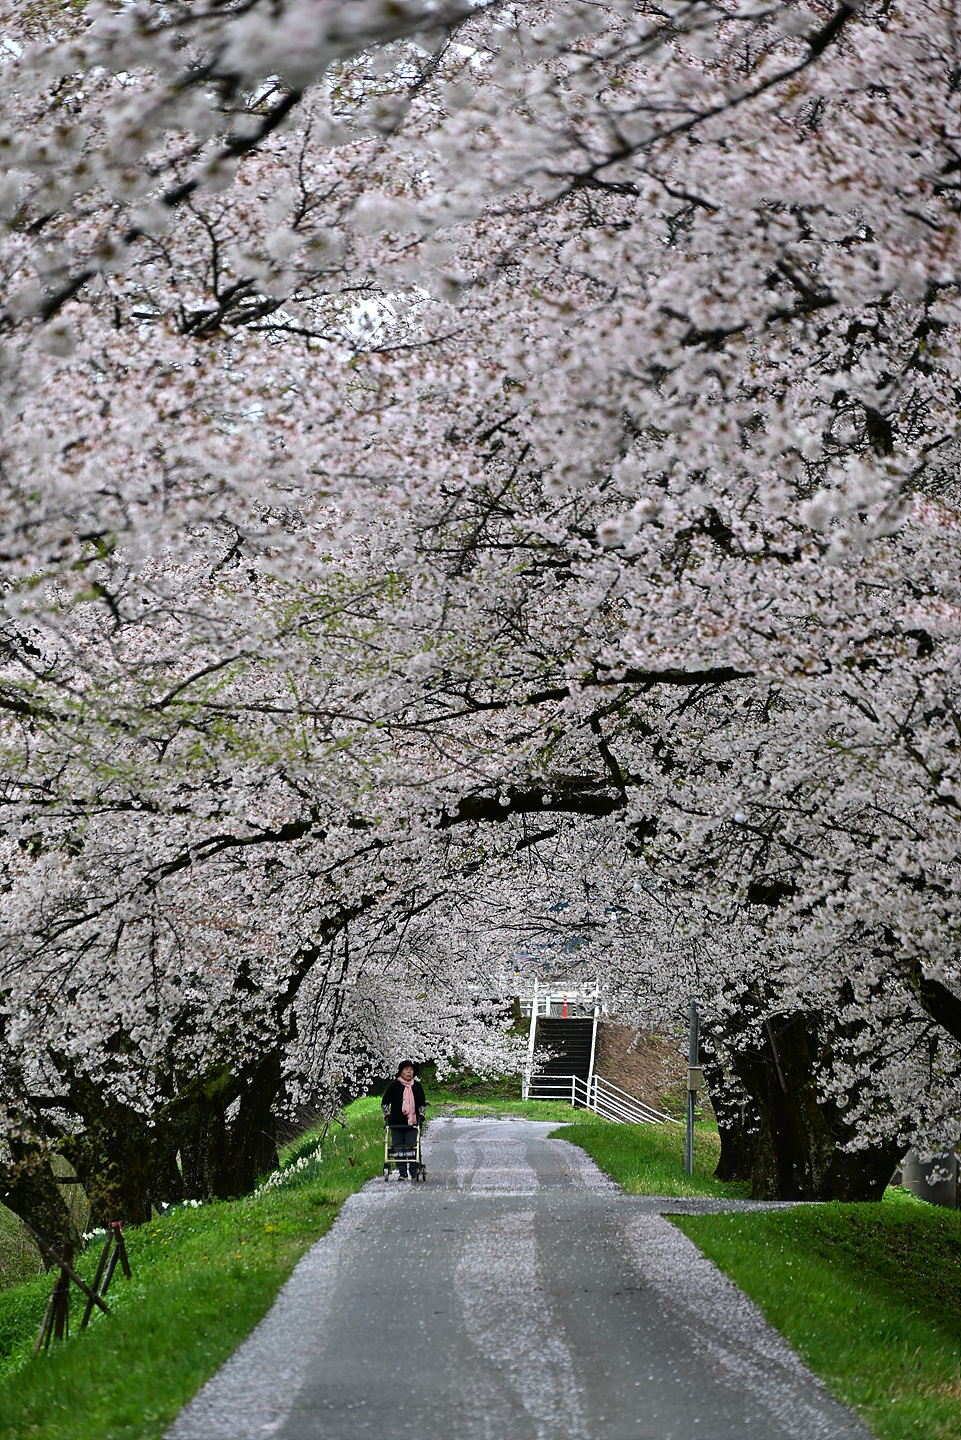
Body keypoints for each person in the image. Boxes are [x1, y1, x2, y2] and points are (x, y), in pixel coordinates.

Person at [382, 1062, 427, 1179]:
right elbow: (385, 1102)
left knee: (412, 1146)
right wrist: (387, 1114)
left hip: (412, 1122)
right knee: (397, 1147)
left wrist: (421, 1115)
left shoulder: (417, 1087)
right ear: (401, 1072)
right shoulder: (394, 1086)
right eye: (406, 1069)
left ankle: (413, 1169)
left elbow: (422, 1104)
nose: (409, 1072)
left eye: (411, 1070)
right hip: (396, 1122)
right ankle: (402, 1172)